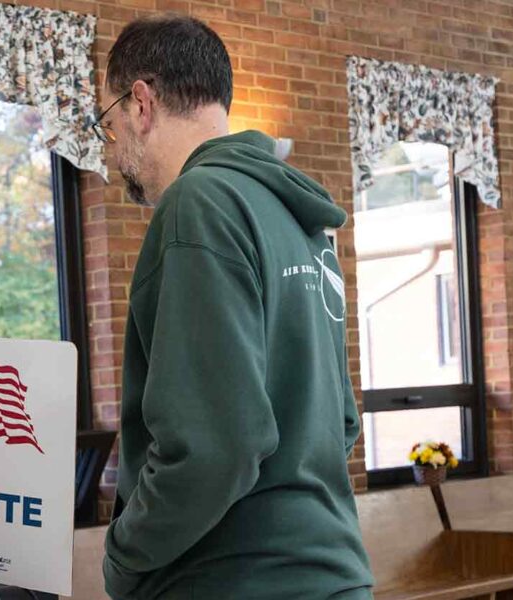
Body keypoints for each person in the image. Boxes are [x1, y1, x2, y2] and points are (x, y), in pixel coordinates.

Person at [95, 14, 374, 600]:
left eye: (110, 125)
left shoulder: (198, 202)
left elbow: (217, 445)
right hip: (332, 572)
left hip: (232, 578)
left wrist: (124, 554)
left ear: (141, 103)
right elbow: (342, 420)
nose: (113, 151)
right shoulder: (297, 215)